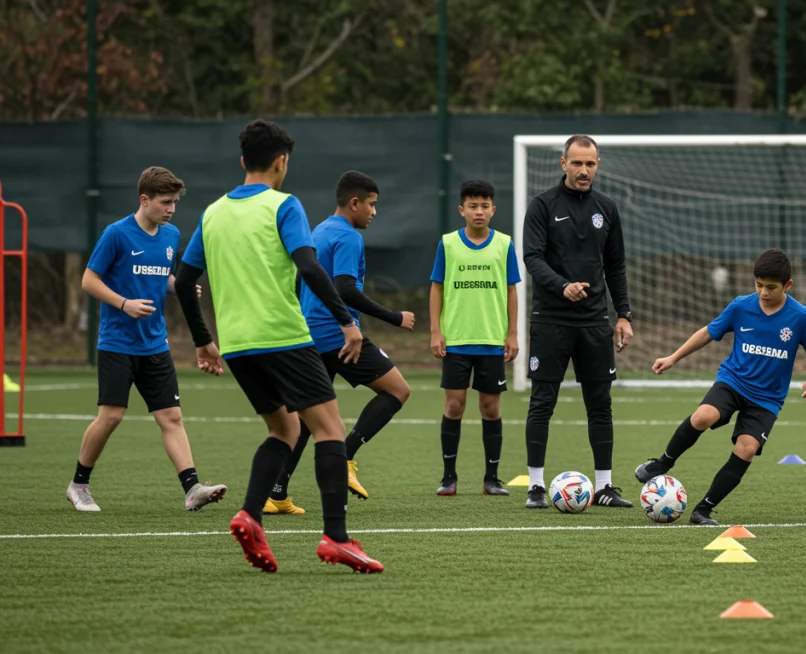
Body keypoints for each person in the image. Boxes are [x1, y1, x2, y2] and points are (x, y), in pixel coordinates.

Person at [174, 119, 382, 573]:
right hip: (284, 337)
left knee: (284, 432)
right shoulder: (283, 206)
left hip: (237, 346)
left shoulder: (212, 213)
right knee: (328, 430)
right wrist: (348, 322)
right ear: (282, 161)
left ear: (243, 160)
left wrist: (204, 342)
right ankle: (337, 538)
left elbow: (186, 280)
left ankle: (250, 514)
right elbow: (309, 268)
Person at [67, 166, 226, 513]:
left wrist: (176, 287)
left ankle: (192, 488)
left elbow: (158, 275)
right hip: (116, 344)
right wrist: (123, 303)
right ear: (144, 199)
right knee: (111, 417)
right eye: (165, 202)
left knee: (172, 417)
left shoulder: (170, 236)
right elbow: (88, 281)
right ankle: (78, 484)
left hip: (155, 344)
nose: (171, 209)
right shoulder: (116, 234)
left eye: (174, 203)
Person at [634, 249, 806, 526]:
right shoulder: (740, 306)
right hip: (734, 381)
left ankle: (704, 509)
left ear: (788, 285)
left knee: (746, 448)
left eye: (771, 287)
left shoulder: (800, 316)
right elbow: (707, 333)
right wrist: (673, 357)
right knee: (703, 416)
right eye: (759, 285)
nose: (763, 293)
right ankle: (663, 462)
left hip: (767, 398)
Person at [263, 171, 414, 515]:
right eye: (372, 205)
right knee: (397, 390)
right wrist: (395, 317)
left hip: (310, 336)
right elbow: (346, 289)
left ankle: (276, 493)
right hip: (338, 336)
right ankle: (347, 453)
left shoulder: (318, 230)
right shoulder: (348, 237)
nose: (375, 212)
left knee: (304, 420)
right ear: (355, 203)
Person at [522, 135, 634, 509]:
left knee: (600, 404)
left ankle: (604, 486)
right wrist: (562, 285)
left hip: (594, 322)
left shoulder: (607, 208)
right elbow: (533, 258)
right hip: (551, 319)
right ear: (563, 163)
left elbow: (615, 266)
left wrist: (624, 315)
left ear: (598, 164)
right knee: (542, 402)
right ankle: (535, 486)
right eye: (577, 163)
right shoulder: (542, 206)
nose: (584, 170)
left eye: (591, 164)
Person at [429, 179, 520, 496]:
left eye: (484, 206)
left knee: (490, 409)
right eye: (472, 206)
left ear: (493, 210)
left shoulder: (505, 244)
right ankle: (448, 477)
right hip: (456, 340)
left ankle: (491, 478)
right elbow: (437, 287)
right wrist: (436, 330)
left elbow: (511, 290)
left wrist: (512, 333)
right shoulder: (448, 243)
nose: (478, 211)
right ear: (461, 210)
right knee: (454, 406)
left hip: (492, 341)